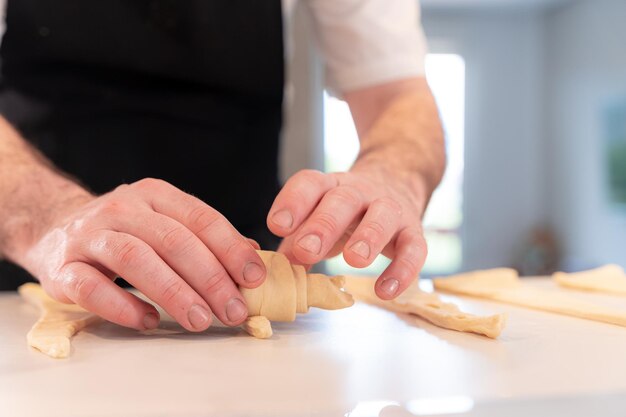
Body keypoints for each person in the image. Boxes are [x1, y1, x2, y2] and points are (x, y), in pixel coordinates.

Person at [0, 0, 445, 332]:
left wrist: (392, 175)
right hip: (32, 278)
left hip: (250, 282)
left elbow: (397, 95)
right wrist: (43, 218)